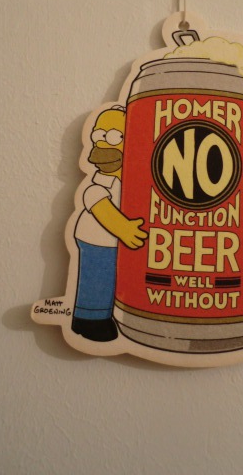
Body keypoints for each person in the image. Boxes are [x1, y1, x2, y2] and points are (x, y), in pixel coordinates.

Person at [72, 106, 147, 341]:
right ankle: (89, 319)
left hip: (114, 241)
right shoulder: (103, 181)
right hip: (98, 239)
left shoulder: (130, 178)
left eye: (114, 136)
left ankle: (98, 315)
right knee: (98, 278)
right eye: (101, 136)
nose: (104, 143)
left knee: (112, 279)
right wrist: (123, 228)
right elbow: (96, 200)